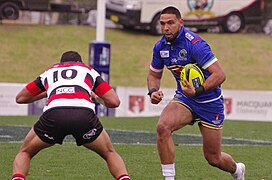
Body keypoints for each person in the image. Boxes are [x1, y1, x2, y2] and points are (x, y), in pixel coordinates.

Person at [147, 6, 245, 180]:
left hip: (209, 102)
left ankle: (237, 170)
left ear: (180, 23)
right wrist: (153, 91)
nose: (166, 28)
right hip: (185, 100)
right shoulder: (160, 46)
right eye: (162, 24)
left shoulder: (195, 44)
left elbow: (220, 75)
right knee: (163, 127)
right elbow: (154, 74)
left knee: (213, 158)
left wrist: (197, 90)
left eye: (170, 23)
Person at [12, 51, 130, 180]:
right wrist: (95, 97)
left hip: (54, 114)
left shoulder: (50, 71)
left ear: (61, 63)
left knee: (25, 152)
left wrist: (49, 92)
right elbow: (114, 102)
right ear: (80, 62)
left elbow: (20, 98)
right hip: (83, 115)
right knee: (109, 153)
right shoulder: (88, 70)